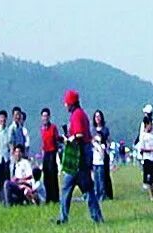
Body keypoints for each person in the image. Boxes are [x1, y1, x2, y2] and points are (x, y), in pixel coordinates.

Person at [57, 90, 104, 224]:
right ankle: (97, 217)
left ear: (71, 103)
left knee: (70, 188)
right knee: (86, 189)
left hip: (78, 160)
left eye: (67, 103)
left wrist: (66, 140)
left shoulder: (76, 115)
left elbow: (79, 136)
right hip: (84, 159)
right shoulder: (81, 114)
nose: (66, 106)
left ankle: (63, 217)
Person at [135, 116, 153, 202]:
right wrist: (151, 150)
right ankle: (152, 196)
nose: (151, 126)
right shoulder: (143, 136)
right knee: (149, 179)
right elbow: (141, 149)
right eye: (149, 124)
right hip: (147, 159)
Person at [39, 108, 62, 204]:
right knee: (46, 177)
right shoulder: (42, 129)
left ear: (49, 117)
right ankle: (48, 197)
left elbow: (56, 140)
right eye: (43, 116)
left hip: (52, 153)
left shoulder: (53, 128)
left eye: (46, 116)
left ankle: (55, 197)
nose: (45, 118)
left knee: (53, 176)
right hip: (45, 154)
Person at [92, 110, 114, 200]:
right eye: (96, 116)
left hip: (104, 154)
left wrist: (106, 148)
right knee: (96, 175)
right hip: (95, 155)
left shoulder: (105, 129)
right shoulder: (92, 130)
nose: (97, 118)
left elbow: (109, 140)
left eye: (99, 116)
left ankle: (106, 193)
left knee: (104, 174)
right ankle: (98, 193)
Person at [91, 132, 107, 203]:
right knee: (96, 180)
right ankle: (96, 194)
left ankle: (102, 194)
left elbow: (102, 154)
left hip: (100, 164)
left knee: (101, 180)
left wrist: (99, 144)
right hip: (94, 163)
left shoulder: (102, 145)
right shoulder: (93, 145)